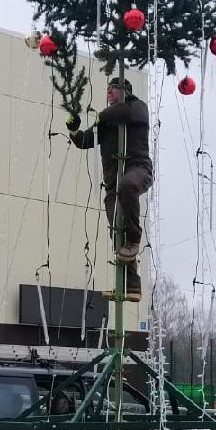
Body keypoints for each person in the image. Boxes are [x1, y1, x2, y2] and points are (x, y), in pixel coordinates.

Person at [67, 77, 152, 301]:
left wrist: (101, 115)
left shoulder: (138, 108)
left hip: (138, 169)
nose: (108, 92)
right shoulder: (106, 120)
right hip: (113, 183)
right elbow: (86, 140)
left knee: (129, 185)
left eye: (112, 88)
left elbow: (127, 114)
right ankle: (130, 285)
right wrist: (74, 130)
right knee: (116, 228)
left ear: (125, 90)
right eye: (107, 88)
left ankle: (135, 238)